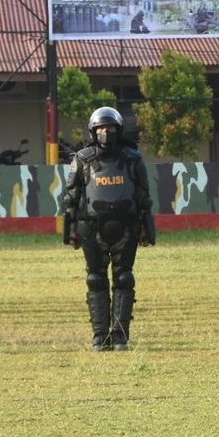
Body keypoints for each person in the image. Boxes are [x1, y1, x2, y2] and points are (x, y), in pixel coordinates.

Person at [63, 106, 154, 351]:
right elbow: (71, 196)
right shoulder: (82, 159)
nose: (106, 132)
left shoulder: (132, 158)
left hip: (127, 226)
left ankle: (121, 336)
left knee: (124, 278)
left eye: (111, 127)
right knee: (95, 279)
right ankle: (100, 335)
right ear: (93, 131)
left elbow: (144, 196)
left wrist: (147, 227)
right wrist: (70, 229)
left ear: (119, 129)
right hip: (91, 227)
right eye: (101, 128)